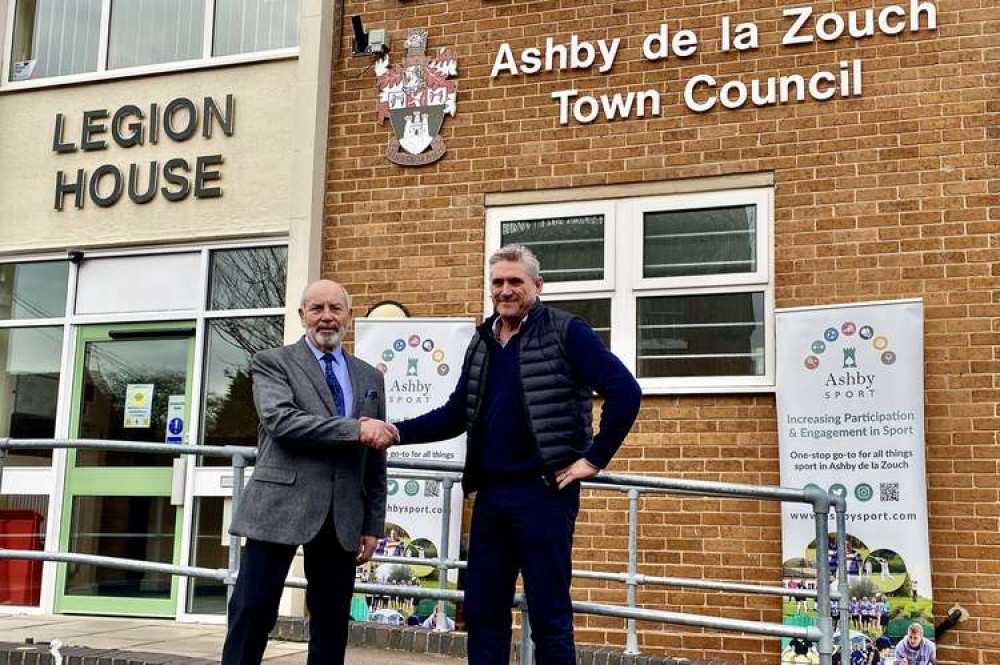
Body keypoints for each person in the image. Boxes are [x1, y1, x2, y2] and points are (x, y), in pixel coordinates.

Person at [370, 245, 641, 665]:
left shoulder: (567, 332)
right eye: (498, 282)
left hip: (545, 495)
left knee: (550, 616)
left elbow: (625, 392)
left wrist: (594, 459)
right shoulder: (482, 342)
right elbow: (455, 413)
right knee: (482, 611)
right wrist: (396, 431)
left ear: (537, 285)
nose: (505, 290)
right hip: (491, 496)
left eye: (515, 281)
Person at [221, 280, 396, 665]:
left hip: (343, 513)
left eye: (336, 308)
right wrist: (356, 429)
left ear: (349, 316)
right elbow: (282, 421)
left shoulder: (370, 377)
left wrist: (372, 523)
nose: (327, 317)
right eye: (317, 309)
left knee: (332, 623)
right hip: (277, 505)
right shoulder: (272, 362)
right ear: (302, 316)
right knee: (253, 611)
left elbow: (376, 457)